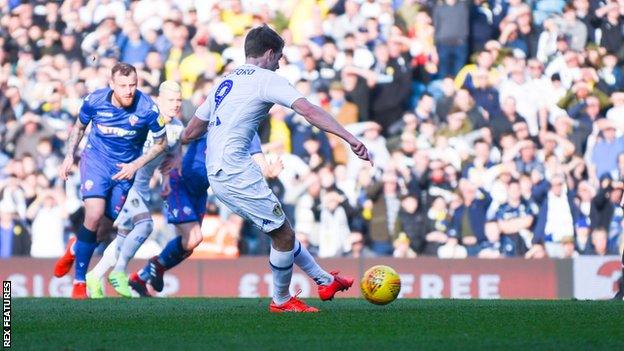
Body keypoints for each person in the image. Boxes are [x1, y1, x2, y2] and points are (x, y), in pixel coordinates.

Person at [181, 25, 370, 312]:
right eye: (279, 57)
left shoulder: (224, 82)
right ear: (269, 54)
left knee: (281, 230)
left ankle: (323, 280)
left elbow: (191, 131)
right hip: (235, 171)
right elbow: (309, 111)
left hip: (218, 172)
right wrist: (349, 138)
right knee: (282, 234)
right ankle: (281, 301)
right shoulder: (266, 79)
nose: (280, 63)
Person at [53, 63, 167, 299]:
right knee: (93, 214)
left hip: (124, 170)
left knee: (103, 229)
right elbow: (79, 127)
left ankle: (75, 247)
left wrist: (135, 165)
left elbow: (161, 142)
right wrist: (67, 157)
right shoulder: (94, 101)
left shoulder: (147, 108)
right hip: (95, 162)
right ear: (111, 84)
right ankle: (79, 282)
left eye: (133, 85)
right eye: (123, 86)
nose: (129, 91)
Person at [84, 81, 185, 298]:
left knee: (123, 237)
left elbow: (173, 155)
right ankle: (119, 272)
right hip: (123, 182)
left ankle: (95, 275)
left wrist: (168, 176)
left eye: (179, 100)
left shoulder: (177, 128)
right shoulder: (144, 118)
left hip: (142, 190)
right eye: (170, 100)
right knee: (145, 226)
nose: (175, 104)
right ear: (159, 99)